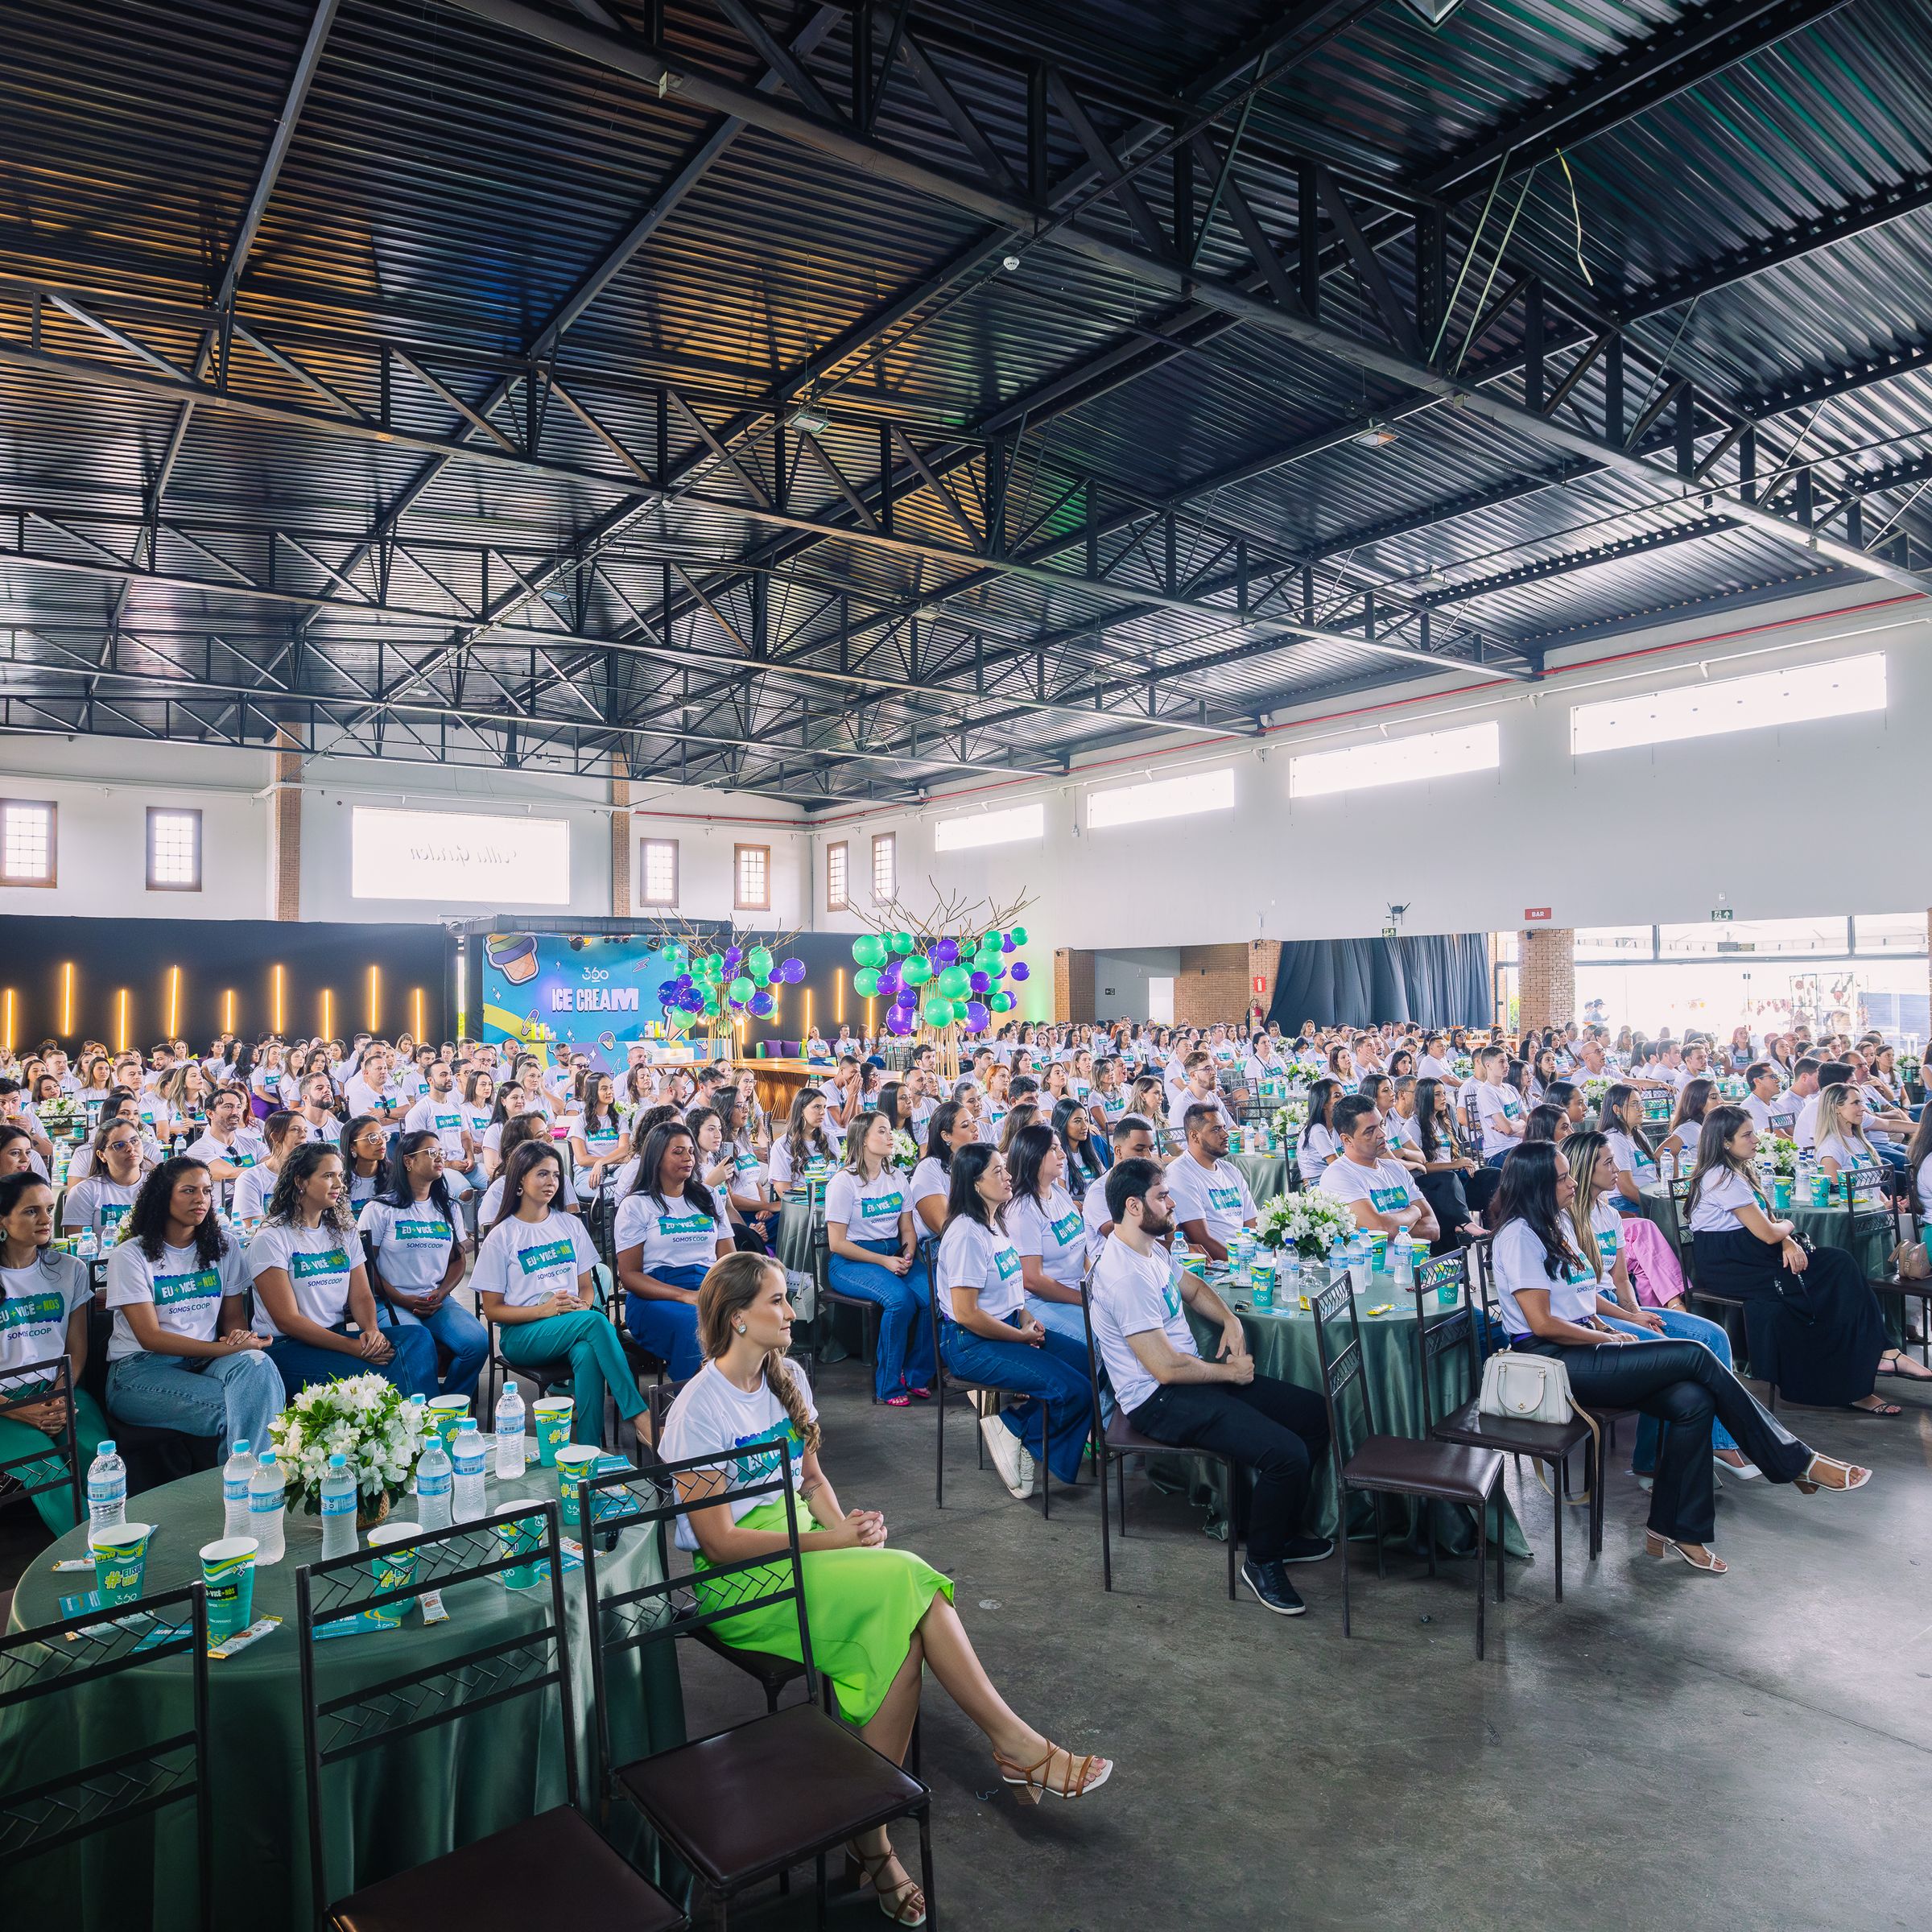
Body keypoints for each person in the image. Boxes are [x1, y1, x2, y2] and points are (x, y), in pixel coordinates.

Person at [663, 1253, 1109, 1921]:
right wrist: (831, 1542)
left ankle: (874, 1838)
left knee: (900, 1616)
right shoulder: (697, 1410)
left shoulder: (785, 1377)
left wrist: (851, 1532)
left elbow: (810, 1481)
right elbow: (722, 1544)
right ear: (738, 1319)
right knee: (912, 1584)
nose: (792, 1313)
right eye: (779, 1302)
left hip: (804, 1546)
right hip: (743, 1584)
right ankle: (1012, 1751)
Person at [1490, 1141, 1868, 1573]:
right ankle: (1794, 1461)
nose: (1572, 1182)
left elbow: (1582, 1299)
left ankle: (1675, 1529)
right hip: (1554, 1364)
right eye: (1562, 1177)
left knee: (1693, 1401)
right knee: (1695, 1354)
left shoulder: (1556, 1223)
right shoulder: (1519, 1235)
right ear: (1537, 1184)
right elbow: (1541, 1324)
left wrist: (1612, 1326)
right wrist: (1612, 1341)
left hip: (1586, 1344)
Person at [1088, 1158, 1332, 1616]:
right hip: (1157, 1401)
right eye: (1163, 1196)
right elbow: (1163, 1368)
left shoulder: (1150, 1248)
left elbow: (1194, 1287)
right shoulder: (1124, 1275)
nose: (1172, 1201)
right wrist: (1230, 1373)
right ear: (1133, 1206)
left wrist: (1230, 1318)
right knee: (1286, 1454)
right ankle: (1262, 1562)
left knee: (1316, 1415)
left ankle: (1269, 1529)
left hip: (1189, 1380)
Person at [1562, 1130, 1756, 1478]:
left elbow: (1621, 1280)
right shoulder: (1565, 1221)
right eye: (1608, 1163)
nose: (1617, 1169)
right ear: (1586, 1169)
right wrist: (1630, 1318)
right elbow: (1578, 1295)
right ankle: (1650, 1463)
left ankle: (1720, 1442)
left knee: (1712, 1335)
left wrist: (1636, 1311)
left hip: (1615, 1307)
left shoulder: (1606, 1214)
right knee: (1665, 1353)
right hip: (1588, 1314)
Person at [1684, 1107, 1900, 1412]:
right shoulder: (1721, 1178)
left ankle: (1866, 1369)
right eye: (1747, 1135)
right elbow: (1769, 1229)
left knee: (1838, 1267)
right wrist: (1787, 1230)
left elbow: (1767, 1224)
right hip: (1732, 1265)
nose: (1755, 1140)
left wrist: (1786, 1241)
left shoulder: (1735, 1170)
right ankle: (1872, 1363)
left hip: (1751, 1255)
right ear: (1724, 1142)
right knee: (1837, 1272)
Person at [935, 1145, 1092, 1501]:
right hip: (971, 1343)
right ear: (975, 1184)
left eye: (1005, 1168)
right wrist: (1019, 1338)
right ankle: (1016, 1428)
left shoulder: (995, 1222)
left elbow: (1012, 1285)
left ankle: (1015, 1429)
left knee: (1092, 1367)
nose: (1008, 1176)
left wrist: (1026, 1317)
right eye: (997, 1171)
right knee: (1074, 1390)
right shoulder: (965, 1234)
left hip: (1006, 1327)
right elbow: (967, 1313)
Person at [103, 1157, 285, 1454]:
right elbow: (150, 1337)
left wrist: (240, 1338)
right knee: (248, 1413)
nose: (200, 1199)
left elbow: (233, 1318)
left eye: (206, 1191)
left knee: (258, 1363)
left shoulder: (225, 1245)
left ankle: (250, 1489)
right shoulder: (130, 1255)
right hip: (141, 1370)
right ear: (163, 1197)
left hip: (205, 1362)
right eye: (188, 1190)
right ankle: (249, 1492)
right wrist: (226, 1349)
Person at [474, 1140, 648, 1451]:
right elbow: (493, 1310)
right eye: (542, 1174)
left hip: (570, 1323)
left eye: (556, 1175)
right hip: (522, 1334)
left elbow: (585, 1285)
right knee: (595, 1324)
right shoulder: (502, 1235)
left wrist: (582, 1304)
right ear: (520, 1182)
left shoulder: (570, 1224)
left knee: (586, 1351)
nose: (551, 1182)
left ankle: (590, 1450)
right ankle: (638, 1416)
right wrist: (546, 1311)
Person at [246, 1143, 438, 1397]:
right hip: (287, 1348)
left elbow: (361, 1295)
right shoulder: (271, 1238)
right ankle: (422, 1425)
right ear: (301, 1181)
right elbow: (287, 1320)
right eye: (328, 1176)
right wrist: (351, 1346)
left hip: (333, 1339)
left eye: (339, 1176)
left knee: (418, 1339)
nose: (339, 1184)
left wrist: (371, 1330)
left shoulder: (344, 1231)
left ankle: (421, 1422)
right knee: (383, 1372)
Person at [0, 1171, 109, 1533]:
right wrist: (18, 1409)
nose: (47, 1220)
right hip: (2, 1404)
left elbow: (76, 1348)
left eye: (49, 1209)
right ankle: (97, 1552)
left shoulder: (69, 1269)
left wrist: (60, 1395)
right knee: (44, 1466)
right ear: (3, 1219)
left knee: (98, 1453)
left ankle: (123, 1535)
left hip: (59, 1389)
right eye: (32, 1212)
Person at [357, 1129, 489, 1400]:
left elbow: (457, 1258)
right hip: (389, 1301)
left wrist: (441, 1293)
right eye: (431, 1153)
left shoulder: (447, 1207)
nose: (440, 1158)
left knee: (476, 1342)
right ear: (408, 1161)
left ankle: (449, 1404)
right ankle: (423, 1414)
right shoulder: (380, 1208)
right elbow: (366, 1270)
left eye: (441, 1153)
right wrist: (402, 1299)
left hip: (435, 1299)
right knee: (421, 1343)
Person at [824, 1109, 933, 1406]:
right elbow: (837, 1244)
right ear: (862, 1139)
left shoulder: (897, 1176)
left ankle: (917, 1375)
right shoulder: (843, 1183)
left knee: (934, 1297)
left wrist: (909, 1251)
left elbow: (907, 1228)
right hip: (852, 1261)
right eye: (882, 1131)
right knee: (900, 1301)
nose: (890, 1137)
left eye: (890, 1131)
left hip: (894, 1254)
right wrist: (884, 1262)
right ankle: (888, 1385)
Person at [615, 1121, 733, 1381]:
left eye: (691, 1151)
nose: (688, 1158)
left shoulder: (708, 1196)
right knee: (694, 1323)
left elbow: (728, 1260)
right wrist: (684, 1296)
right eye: (678, 1152)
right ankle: (689, 1408)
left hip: (708, 1286)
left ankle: (747, 1403)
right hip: (654, 1294)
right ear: (656, 1158)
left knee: (756, 1314)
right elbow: (630, 1275)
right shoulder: (637, 1205)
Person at [1005, 1122, 1093, 1371]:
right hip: (1040, 1303)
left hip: (1075, 1294)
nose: (1063, 1154)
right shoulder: (1022, 1210)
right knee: (1103, 1337)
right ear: (1033, 1156)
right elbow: (1032, 1279)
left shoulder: (1059, 1194)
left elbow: (1081, 1251)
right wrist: (1084, 1300)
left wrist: (1095, 1288)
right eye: (1054, 1149)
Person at [1316, 1096, 1440, 1245]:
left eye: (1381, 1125)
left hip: (1412, 1266)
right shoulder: (1338, 1175)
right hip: (1372, 1268)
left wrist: (1393, 1230)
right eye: (1370, 1131)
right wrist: (1414, 1212)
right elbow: (1380, 1228)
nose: (1382, 1134)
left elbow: (1433, 1229)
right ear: (1347, 1140)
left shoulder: (1396, 1168)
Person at [1164, 1103, 1258, 1262]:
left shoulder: (1231, 1170)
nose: (1225, 1134)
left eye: (1223, 1127)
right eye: (1216, 1129)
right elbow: (1201, 1239)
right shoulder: (1180, 1173)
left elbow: (1252, 1224)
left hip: (1246, 1256)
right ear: (1195, 1136)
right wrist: (1243, 1263)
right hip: (1220, 1264)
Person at [60, 1115, 151, 1240]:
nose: (130, 1148)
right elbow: (79, 1249)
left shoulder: (158, 1184)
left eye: (134, 1141)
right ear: (102, 1155)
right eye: (119, 1145)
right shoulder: (84, 1191)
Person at [907, 1101, 975, 1238]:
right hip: (942, 1247)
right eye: (965, 1125)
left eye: (973, 1121)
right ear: (946, 1136)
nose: (975, 1128)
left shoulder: (973, 1163)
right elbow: (944, 1226)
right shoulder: (928, 1169)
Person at [1600, 1084, 1661, 1211]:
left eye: (1641, 1103)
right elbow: (1626, 1188)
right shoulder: (1615, 1138)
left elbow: (1652, 1175)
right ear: (1617, 1110)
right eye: (1635, 1104)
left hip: (1646, 1197)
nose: (1642, 1109)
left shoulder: (1639, 1135)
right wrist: (1659, 1207)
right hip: (1625, 1202)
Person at [1051, 1096, 1108, 1203]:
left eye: (1086, 1120)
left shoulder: (1087, 1151)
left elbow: (1104, 1180)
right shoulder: (1059, 1156)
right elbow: (1061, 1197)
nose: (1085, 1126)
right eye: (1077, 1121)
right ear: (1063, 1124)